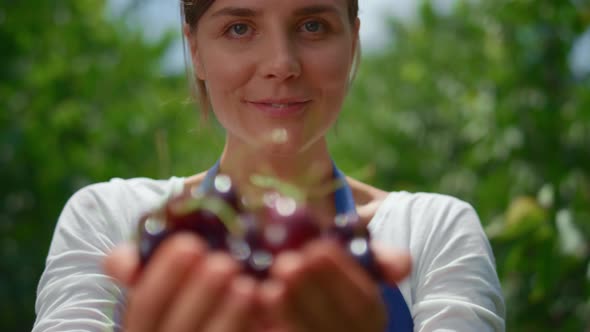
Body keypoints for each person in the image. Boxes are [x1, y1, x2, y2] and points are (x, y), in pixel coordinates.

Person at [33, 0, 505, 331]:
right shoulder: (110, 218)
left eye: (313, 25)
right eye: (239, 27)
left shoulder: (432, 231)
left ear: (353, 39)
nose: (281, 63)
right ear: (196, 49)